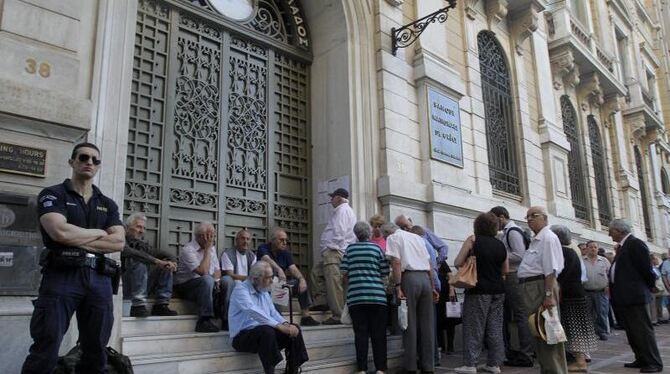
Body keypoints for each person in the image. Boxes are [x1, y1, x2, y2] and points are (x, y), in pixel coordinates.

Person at [22, 142, 125, 373]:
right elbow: (58, 232)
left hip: (99, 279)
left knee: (96, 350)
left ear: (98, 167)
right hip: (62, 275)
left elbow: (118, 242)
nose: (89, 162)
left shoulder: (107, 203)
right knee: (46, 346)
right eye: (83, 157)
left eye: (95, 160)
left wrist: (74, 234)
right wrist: (99, 233)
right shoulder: (53, 194)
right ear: (72, 162)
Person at [229, 261, 309, 374]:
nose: (272, 281)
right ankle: (270, 371)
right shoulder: (240, 290)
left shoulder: (263, 291)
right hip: (242, 337)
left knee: (294, 328)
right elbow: (254, 312)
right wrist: (278, 326)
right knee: (266, 330)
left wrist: (285, 324)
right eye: (269, 278)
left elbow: (273, 313)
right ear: (256, 279)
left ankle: (293, 368)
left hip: (263, 335)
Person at [453, 212, 508, 374]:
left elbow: (457, 262)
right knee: (495, 327)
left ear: (477, 226)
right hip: (498, 290)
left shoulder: (473, 240)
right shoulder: (500, 245)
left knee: (474, 326)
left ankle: (470, 364)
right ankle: (494, 364)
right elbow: (505, 270)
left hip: (478, 289)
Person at [608, 218, 663, 372]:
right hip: (625, 297)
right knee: (633, 331)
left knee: (642, 331)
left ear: (619, 231)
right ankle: (641, 358)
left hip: (635, 296)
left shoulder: (635, 244)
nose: (609, 233)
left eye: (611, 230)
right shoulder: (622, 246)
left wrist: (651, 286)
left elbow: (646, 269)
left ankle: (653, 362)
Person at [517, 206, 567, 373]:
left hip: (541, 287)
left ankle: (555, 370)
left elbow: (551, 270)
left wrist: (548, 295)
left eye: (534, 215)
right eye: (528, 216)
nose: (529, 219)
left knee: (550, 334)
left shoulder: (547, 238)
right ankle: (548, 369)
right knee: (539, 332)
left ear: (545, 218)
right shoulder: (537, 238)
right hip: (533, 288)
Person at [383, 222, 438, 373]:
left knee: (409, 324)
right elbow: (429, 264)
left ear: (388, 233)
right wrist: (432, 286)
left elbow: (396, 262)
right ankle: (429, 366)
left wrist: (398, 286)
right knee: (427, 325)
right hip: (425, 279)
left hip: (409, 279)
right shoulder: (417, 238)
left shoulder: (393, 238)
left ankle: (410, 366)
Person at [341, 221, 390, 374]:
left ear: (356, 234)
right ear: (369, 233)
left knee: (360, 334)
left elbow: (344, 272)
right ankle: (380, 368)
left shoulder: (349, 250)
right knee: (379, 334)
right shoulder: (377, 249)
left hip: (356, 298)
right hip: (377, 297)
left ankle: (361, 369)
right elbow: (384, 272)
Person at [489, 206, 533, 367]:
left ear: (501, 217)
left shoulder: (512, 231)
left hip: (515, 276)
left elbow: (519, 255)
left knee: (521, 313)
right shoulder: (507, 232)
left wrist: (499, 254)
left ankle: (526, 352)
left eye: (495, 219)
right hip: (511, 275)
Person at [551, 225, 597, 373]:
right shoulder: (571, 252)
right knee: (574, 327)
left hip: (570, 295)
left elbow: (560, 275)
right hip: (576, 293)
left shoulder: (563, 252)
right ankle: (579, 360)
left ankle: (580, 362)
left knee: (575, 327)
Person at [310, 188, 356, 324]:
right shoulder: (344, 211)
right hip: (332, 253)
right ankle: (322, 301)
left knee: (333, 283)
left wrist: (332, 247)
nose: (330, 200)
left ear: (339, 198)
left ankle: (338, 315)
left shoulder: (342, 210)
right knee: (316, 273)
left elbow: (339, 232)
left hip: (334, 252)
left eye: (332, 197)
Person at [257, 227, 320, 326]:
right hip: (266, 285)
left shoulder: (285, 252)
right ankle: (277, 318)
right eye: (281, 240)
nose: (285, 242)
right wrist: (279, 269)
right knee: (276, 284)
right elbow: (266, 259)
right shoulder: (263, 248)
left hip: (281, 284)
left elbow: (293, 269)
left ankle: (306, 316)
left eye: (286, 240)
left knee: (300, 283)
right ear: (273, 240)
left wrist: (302, 279)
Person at [122, 212, 178, 317]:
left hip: (141, 287)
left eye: (143, 228)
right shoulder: (121, 240)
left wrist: (172, 262)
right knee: (139, 260)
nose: (142, 231)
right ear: (127, 227)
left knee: (166, 265)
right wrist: (157, 261)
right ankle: (137, 306)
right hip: (122, 289)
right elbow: (129, 252)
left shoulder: (141, 244)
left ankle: (161, 305)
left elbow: (165, 254)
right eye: (138, 227)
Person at [174, 222, 221, 333]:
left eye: (213, 235)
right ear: (201, 236)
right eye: (210, 235)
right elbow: (203, 272)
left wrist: (216, 281)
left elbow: (218, 271)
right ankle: (204, 320)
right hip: (186, 286)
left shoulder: (212, 248)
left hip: (206, 284)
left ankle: (225, 319)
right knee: (207, 279)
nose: (212, 238)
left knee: (226, 282)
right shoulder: (188, 250)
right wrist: (207, 250)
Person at [219, 229, 257, 330]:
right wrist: (247, 278)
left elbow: (254, 275)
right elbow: (229, 274)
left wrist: (251, 280)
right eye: (243, 238)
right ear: (237, 240)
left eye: (248, 239)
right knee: (227, 280)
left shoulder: (252, 256)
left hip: (246, 285)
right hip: (233, 284)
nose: (245, 241)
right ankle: (226, 320)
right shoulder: (228, 253)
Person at [582, 240, 611, 340]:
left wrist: (608, 286)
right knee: (587, 313)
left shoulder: (604, 261)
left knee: (602, 312)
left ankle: (602, 331)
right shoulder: (582, 261)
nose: (593, 249)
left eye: (595, 247)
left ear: (598, 249)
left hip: (601, 291)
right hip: (586, 291)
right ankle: (589, 333)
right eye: (591, 247)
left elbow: (610, 274)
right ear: (586, 249)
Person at [650, 254, 666, 325]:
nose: (657, 260)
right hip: (654, 288)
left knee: (659, 304)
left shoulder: (656, 268)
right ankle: (654, 320)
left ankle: (660, 317)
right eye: (655, 259)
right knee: (653, 305)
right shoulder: (650, 268)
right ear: (652, 260)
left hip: (660, 288)